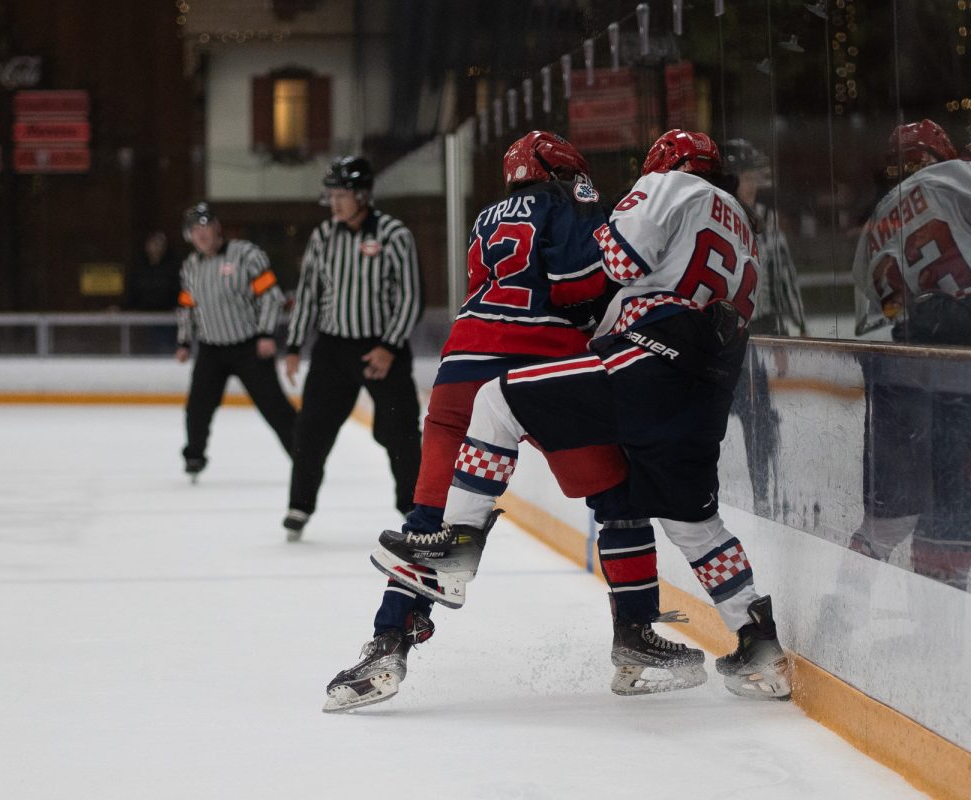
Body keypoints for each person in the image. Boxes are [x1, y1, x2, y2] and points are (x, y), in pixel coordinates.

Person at [378, 130, 792, 701]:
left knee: (494, 406)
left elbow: (618, 259)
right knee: (690, 523)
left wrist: (613, 219)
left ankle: (451, 555)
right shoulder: (743, 225)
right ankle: (757, 644)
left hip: (638, 357)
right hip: (706, 385)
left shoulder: (666, 184)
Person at [323, 132, 700, 713]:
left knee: (429, 518)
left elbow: (489, 288)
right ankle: (635, 638)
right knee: (618, 500)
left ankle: (387, 642)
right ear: (566, 171)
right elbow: (580, 283)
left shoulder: (486, 216)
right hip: (544, 369)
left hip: (462, 364)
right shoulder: (565, 202)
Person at [850, 119, 971, 589]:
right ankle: (949, 622)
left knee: (890, 518)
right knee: (955, 505)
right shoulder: (953, 176)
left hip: (902, 373)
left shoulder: (873, 227)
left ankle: (841, 613)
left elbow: (877, 317)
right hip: (959, 367)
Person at [280, 156, 423, 541]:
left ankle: (413, 507)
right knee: (311, 430)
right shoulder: (323, 236)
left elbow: (411, 296)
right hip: (332, 349)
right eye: (331, 194)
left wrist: (389, 347)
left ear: (362, 195)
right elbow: (309, 293)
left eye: (342, 194)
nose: (335, 202)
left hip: (381, 348)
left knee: (401, 430)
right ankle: (300, 504)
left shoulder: (394, 234)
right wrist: (293, 345)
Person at [176, 202, 297, 480]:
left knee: (275, 407)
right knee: (198, 407)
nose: (201, 234)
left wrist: (266, 333)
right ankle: (194, 456)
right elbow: (187, 305)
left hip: (249, 346)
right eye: (195, 229)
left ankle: (304, 456)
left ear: (217, 227)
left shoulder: (246, 254)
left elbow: (271, 296)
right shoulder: (191, 266)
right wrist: (184, 341)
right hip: (211, 349)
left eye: (205, 227)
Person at [722, 139, 803, 518]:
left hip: (758, 333)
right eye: (748, 175)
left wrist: (784, 339)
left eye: (755, 175)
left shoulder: (766, 221)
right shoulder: (716, 217)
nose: (753, 183)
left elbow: (782, 278)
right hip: (723, 335)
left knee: (759, 421)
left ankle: (761, 493)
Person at [126, 231, 180, 353]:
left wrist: (180, 306)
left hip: (166, 319)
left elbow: (181, 290)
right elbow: (132, 293)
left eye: (160, 244)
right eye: (153, 243)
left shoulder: (173, 267)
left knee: (164, 349)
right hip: (143, 319)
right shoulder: (140, 267)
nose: (156, 247)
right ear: (147, 245)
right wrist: (124, 307)